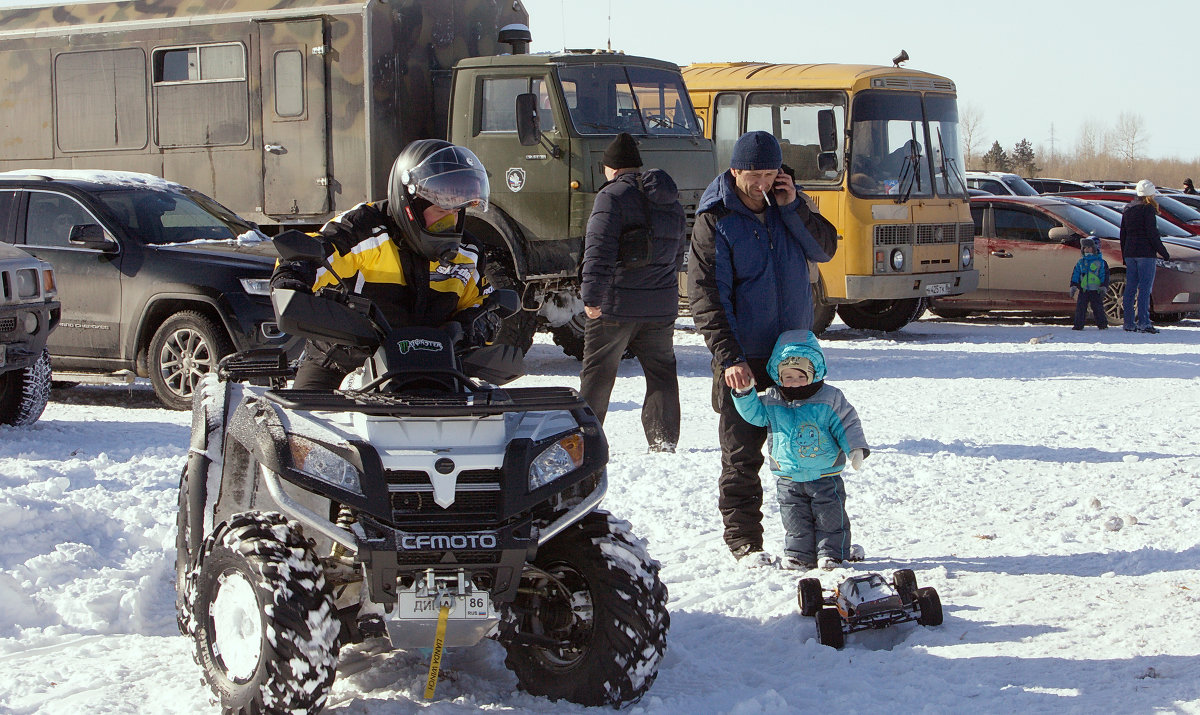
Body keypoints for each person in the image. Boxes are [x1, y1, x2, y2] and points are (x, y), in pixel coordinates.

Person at [687, 130, 838, 567]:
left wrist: (792, 207)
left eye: (769, 174)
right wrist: (728, 358)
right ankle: (745, 543)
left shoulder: (789, 204)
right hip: (745, 356)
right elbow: (707, 297)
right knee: (741, 455)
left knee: (813, 454)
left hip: (795, 355)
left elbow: (825, 249)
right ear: (735, 170)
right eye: (753, 175)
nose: (761, 184)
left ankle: (822, 544)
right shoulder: (715, 219)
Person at [271, 139, 501, 389]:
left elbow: (483, 305)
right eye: (441, 209)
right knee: (306, 417)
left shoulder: (468, 252)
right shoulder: (363, 228)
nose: (451, 220)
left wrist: (471, 328)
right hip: (345, 362)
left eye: (458, 210)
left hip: (433, 366)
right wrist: (292, 277)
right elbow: (316, 252)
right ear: (412, 202)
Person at [579, 133, 688, 451]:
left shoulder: (611, 196)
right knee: (662, 372)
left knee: (598, 374)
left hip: (617, 306)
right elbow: (678, 253)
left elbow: (598, 250)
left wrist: (591, 298)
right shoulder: (670, 199)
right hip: (660, 306)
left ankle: (586, 441)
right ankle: (663, 440)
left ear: (609, 168)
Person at [731, 330, 868, 570]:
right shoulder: (773, 399)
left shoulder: (830, 398)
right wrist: (745, 394)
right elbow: (755, 415)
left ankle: (832, 554)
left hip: (824, 474)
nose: (794, 382)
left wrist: (855, 448)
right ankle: (798, 554)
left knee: (830, 518)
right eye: (787, 376)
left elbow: (847, 422)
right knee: (795, 520)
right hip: (788, 476)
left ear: (813, 373)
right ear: (778, 375)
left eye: (800, 376)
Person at [1119, 180, 1171, 334]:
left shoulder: (1128, 208)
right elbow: (1152, 234)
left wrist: (1124, 254)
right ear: (1150, 194)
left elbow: (1123, 234)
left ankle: (1128, 322)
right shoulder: (1147, 209)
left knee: (1130, 288)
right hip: (1145, 254)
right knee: (1144, 289)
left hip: (1130, 253)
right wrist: (1163, 252)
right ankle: (1144, 322)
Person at [1069, 237, 1109, 331]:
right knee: (1081, 308)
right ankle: (1078, 324)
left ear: (1095, 248)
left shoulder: (1101, 263)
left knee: (1098, 307)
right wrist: (1074, 285)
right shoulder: (1081, 262)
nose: (1086, 250)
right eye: (1085, 248)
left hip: (1095, 290)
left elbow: (1104, 275)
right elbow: (1076, 274)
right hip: (1084, 289)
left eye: (1089, 247)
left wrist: (1103, 286)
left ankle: (1102, 324)